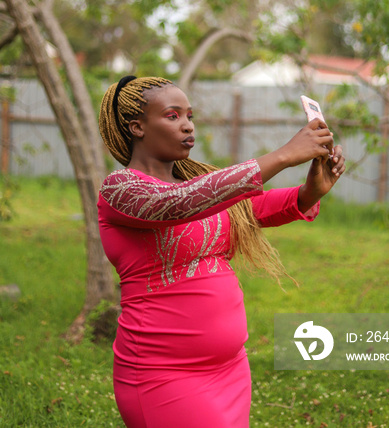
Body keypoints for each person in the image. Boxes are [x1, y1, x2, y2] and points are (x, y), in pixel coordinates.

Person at [98, 75, 345, 428]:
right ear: (137, 127)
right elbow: (178, 204)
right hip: (163, 375)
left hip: (229, 369)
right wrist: (283, 155)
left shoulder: (196, 188)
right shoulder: (121, 189)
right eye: (172, 116)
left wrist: (309, 193)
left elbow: (252, 208)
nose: (187, 126)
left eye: (190, 116)